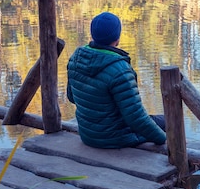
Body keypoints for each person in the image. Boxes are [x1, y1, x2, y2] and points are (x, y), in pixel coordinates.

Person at [67, 11, 167, 148]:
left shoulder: (76, 58)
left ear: (93, 35)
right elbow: (136, 118)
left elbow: (71, 97)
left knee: (155, 121)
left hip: (88, 135)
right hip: (115, 138)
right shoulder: (120, 70)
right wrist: (163, 139)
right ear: (117, 38)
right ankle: (179, 157)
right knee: (169, 121)